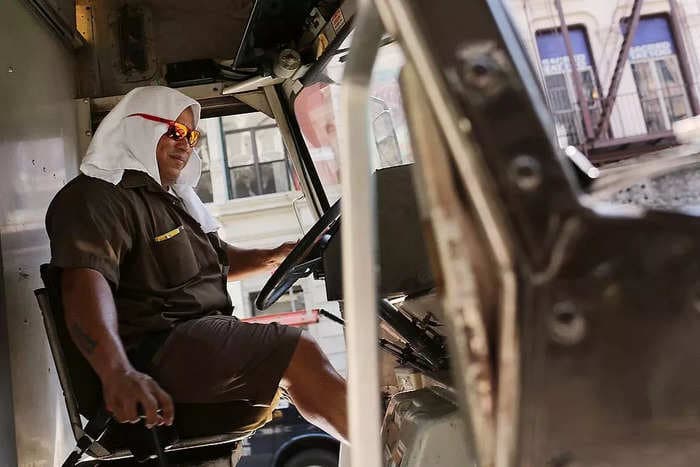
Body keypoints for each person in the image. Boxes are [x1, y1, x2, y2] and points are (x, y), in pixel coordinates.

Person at [45, 86, 348, 443]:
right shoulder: (98, 197)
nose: (186, 144)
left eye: (192, 136)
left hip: (193, 339)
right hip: (154, 351)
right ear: (138, 128)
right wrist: (117, 373)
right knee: (298, 351)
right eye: (175, 131)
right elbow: (83, 284)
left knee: (302, 357)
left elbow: (215, 263)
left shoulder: (169, 201)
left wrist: (276, 256)